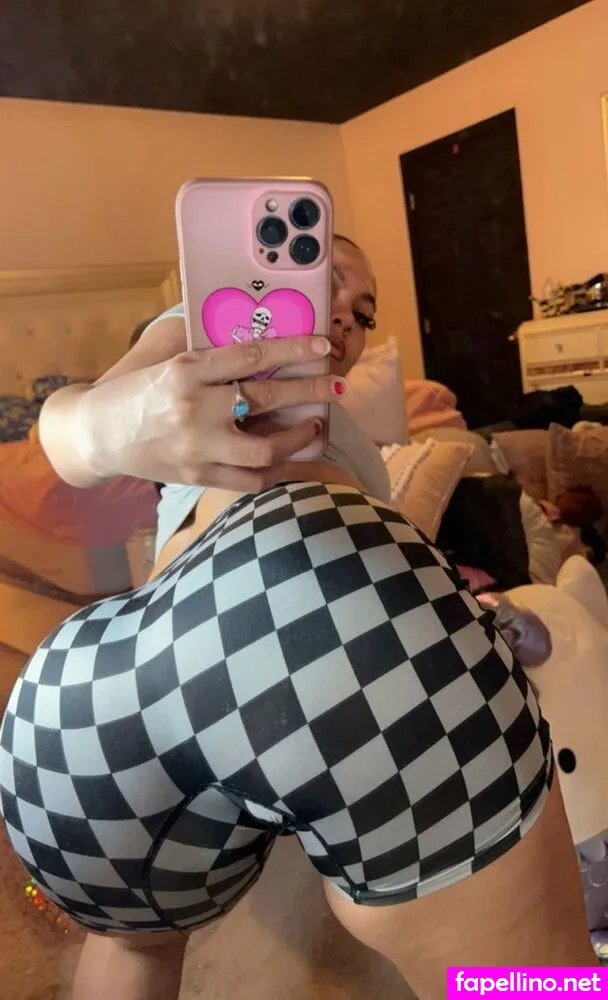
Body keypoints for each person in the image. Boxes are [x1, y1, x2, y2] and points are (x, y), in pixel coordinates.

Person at [0, 235, 595, 1000]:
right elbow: (79, 429)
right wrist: (94, 426)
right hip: (310, 600)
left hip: (88, 688)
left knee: (132, 948)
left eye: (364, 312)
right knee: (538, 981)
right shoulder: (211, 334)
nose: (346, 314)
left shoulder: (329, 426)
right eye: (326, 278)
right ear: (245, 280)